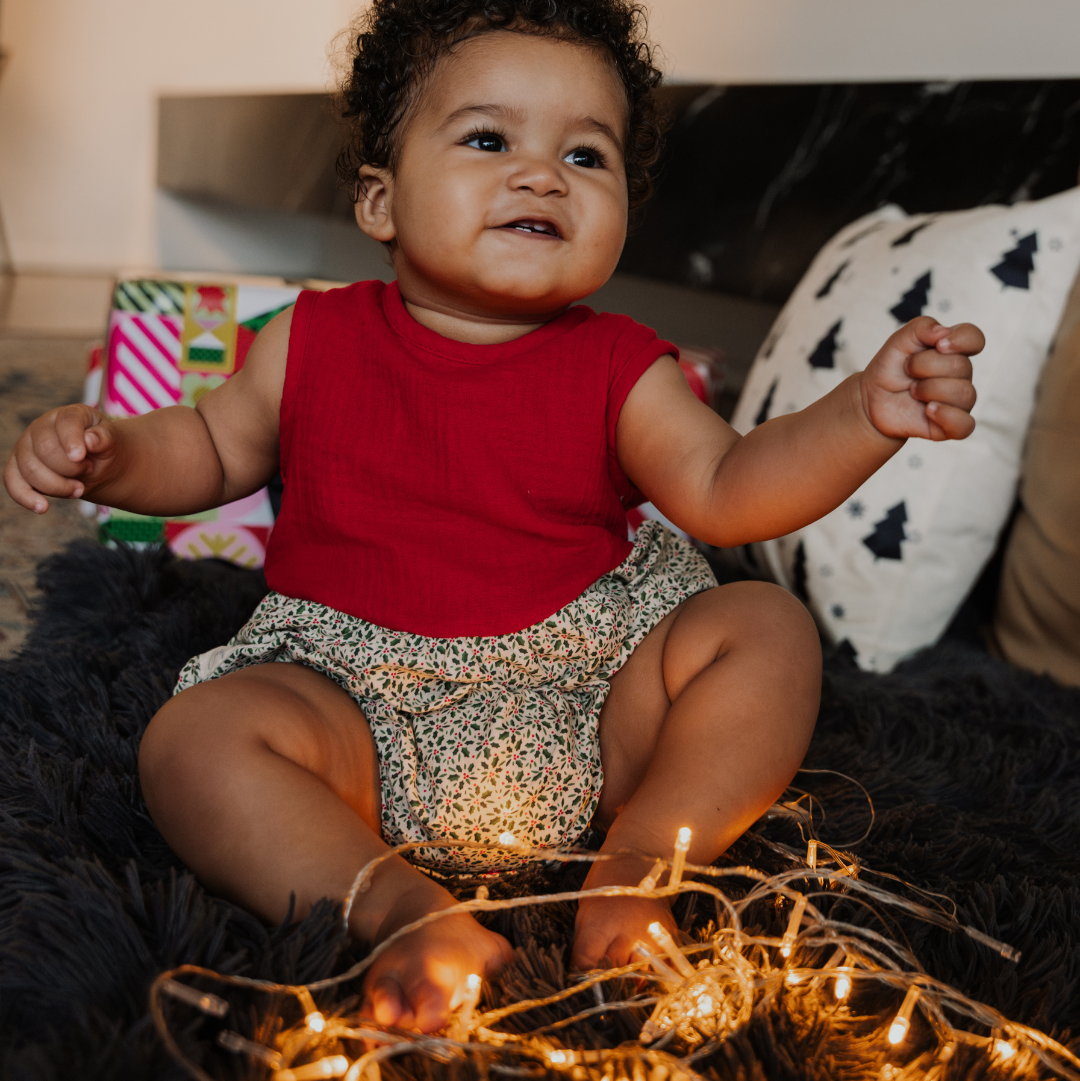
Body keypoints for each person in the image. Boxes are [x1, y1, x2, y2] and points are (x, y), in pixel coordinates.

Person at [3, 0, 981, 1035]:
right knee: (193, 740)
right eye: (487, 138)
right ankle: (393, 903)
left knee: (767, 629)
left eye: (586, 156)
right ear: (380, 200)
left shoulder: (619, 364)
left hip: (592, 697)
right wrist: (112, 454)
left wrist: (862, 416)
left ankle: (644, 855)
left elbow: (730, 486)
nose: (541, 174)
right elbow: (207, 447)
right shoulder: (313, 337)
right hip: (356, 708)